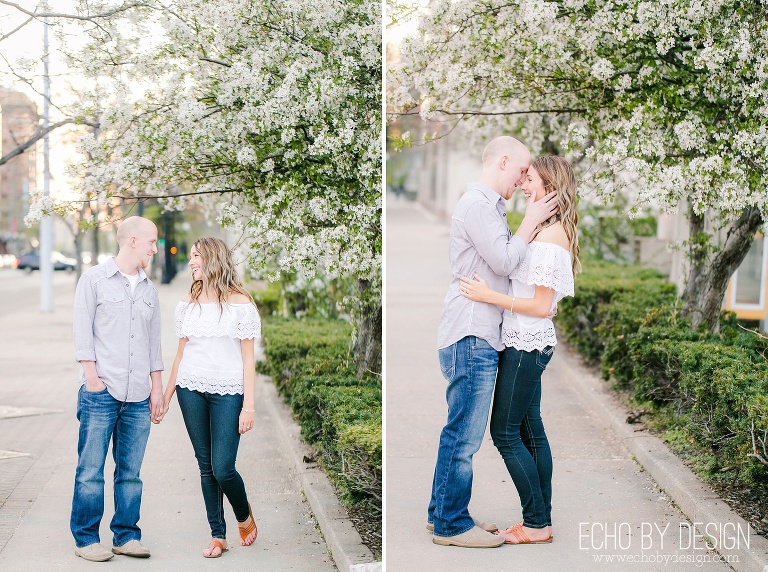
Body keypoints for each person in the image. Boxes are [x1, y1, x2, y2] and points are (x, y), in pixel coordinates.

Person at [429, 136, 559, 548]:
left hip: (481, 332)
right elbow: (503, 261)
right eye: (521, 170)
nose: (522, 179)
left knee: (461, 431)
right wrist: (530, 219)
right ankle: (451, 525)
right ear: (504, 161)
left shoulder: (490, 207)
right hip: (471, 333)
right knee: (465, 435)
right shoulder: (477, 205)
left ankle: (442, 514)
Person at [460, 155, 581, 545]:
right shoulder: (544, 231)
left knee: (505, 433)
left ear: (551, 186)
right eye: (524, 178)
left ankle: (536, 523)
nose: (525, 186)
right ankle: (540, 520)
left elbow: (542, 306)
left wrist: (489, 296)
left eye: (531, 180)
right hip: (525, 340)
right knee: (531, 430)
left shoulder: (550, 238)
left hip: (527, 344)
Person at [158, 237, 260, 558]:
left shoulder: (240, 303)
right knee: (206, 467)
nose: (190, 262)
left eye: (196, 257)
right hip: (190, 388)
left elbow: (248, 359)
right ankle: (218, 535)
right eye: (190, 257)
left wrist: (249, 406)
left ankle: (243, 513)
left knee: (223, 467)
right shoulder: (187, 302)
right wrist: (166, 396)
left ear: (213, 259)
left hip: (229, 392)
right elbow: (180, 354)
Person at [71, 216, 164, 562]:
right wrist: (92, 380)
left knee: (130, 474)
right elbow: (82, 333)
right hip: (101, 392)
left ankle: (126, 536)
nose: (155, 249)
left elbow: (154, 345)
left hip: (138, 395)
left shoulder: (149, 290)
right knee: (90, 471)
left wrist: (157, 390)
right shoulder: (94, 280)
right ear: (133, 241)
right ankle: (85, 539)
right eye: (152, 242)